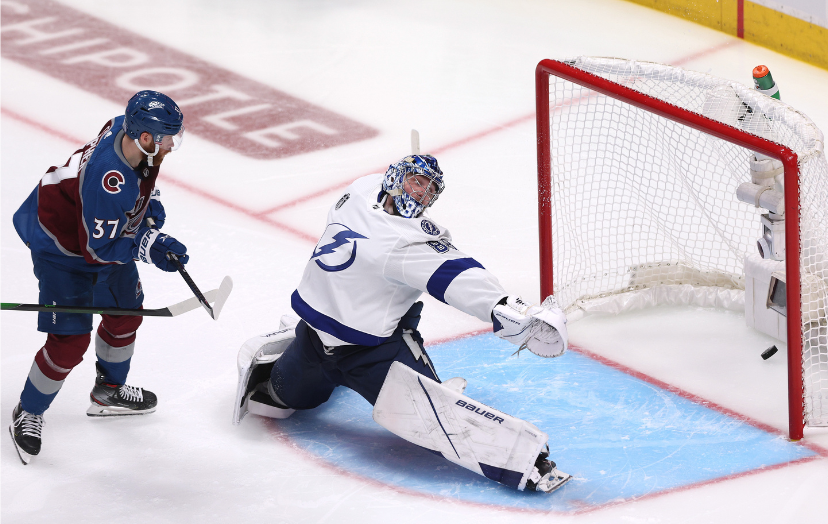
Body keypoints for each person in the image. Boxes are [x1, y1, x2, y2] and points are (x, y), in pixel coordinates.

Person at [234, 154, 573, 494]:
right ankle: (298, 351)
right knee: (278, 398)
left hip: (373, 354)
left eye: (429, 191)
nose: (421, 194)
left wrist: (512, 311)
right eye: (417, 182)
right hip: (312, 337)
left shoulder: (413, 241)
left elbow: (459, 275)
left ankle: (528, 461)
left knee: (434, 424)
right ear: (395, 177)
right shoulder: (359, 191)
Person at [8, 90, 191, 465]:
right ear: (144, 137)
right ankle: (28, 411)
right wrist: (150, 245)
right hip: (62, 248)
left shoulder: (129, 130)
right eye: (167, 136)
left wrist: (149, 208)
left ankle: (109, 391)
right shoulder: (109, 179)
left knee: (126, 313)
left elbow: (142, 184)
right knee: (70, 340)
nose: (172, 143)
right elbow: (100, 251)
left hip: (94, 233)